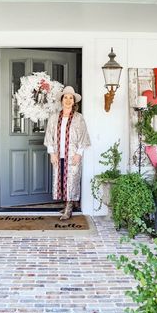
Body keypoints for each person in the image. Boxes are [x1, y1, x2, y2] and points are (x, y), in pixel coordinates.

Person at [44, 86, 91, 220]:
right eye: (66, 97)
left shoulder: (78, 118)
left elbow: (83, 136)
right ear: (61, 99)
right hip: (59, 154)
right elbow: (49, 136)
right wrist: (52, 153)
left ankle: (69, 208)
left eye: (71, 98)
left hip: (72, 154)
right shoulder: (54, 118)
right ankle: (66, 204)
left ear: (74, 101)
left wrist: (79, 153)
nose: (68, 100)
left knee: (71, 179)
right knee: (61, 179)